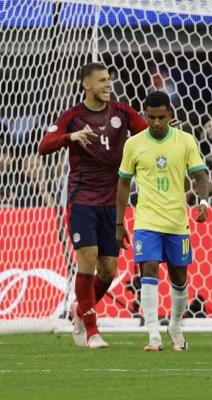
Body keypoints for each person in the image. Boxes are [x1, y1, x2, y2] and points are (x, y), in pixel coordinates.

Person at [38, 62, 148, 348]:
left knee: (109, 270)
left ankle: (79, 308)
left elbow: (148, 133)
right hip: (82, 200)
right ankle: (91, 329)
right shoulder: (73, 117)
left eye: (108, 80)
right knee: (87, 259)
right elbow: (44, 145)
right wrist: (69, 137)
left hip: (112, 203)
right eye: (101, 80)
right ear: (87, 85)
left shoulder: (122, 113)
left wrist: (171, 135)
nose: (107, 85)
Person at [115, 91, 210, 351]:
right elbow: (123, 183)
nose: (156, 123)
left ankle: (176, 326)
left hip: (177, 222)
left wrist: (203, 203)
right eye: (151, 118)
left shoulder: (185, 140)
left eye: (161, 118)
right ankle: (153, 334)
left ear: (170, 116)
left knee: (179, 279)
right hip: (146, 221)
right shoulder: (133, 144)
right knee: (148, 269)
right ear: (145, 116)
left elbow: (201, 176)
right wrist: (119, 221)